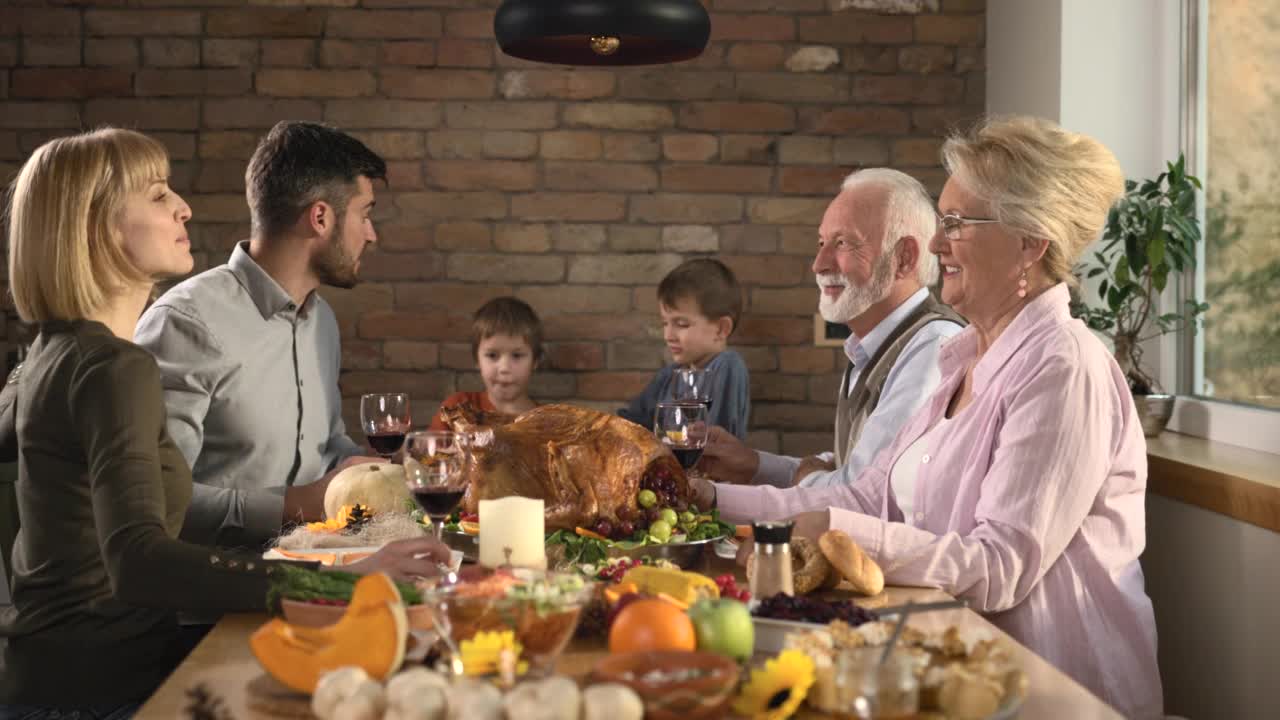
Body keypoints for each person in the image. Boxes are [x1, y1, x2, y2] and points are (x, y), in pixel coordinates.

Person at [699, 116, 1162, 718]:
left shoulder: (1064, 365)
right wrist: (705, 496)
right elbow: (869, 498)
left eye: (956, 224)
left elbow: (999, 568)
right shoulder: (962, 354)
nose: (938, 245)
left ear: (1029, 242)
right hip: (959, 672)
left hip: (1053, 688)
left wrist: (838, 534)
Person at [0, 128, 451, 715]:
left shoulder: (56, 352)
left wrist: (368, 494)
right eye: (159, 194)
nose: (184, 206)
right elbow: (140, 557)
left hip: (63, 679)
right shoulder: (114, 363)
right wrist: (347, 577)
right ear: (97, 225)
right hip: (103, 688)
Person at [135, 121, 387, 549]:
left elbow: (324, 445)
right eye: (365, 214)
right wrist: (295, 505)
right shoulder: (185, 323)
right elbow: (154, 504)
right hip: (214, 604)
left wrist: (365, 467)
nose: (371, 234)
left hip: (313, 575)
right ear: (320, 217)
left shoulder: (321, 320)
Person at [698, 169, 963, 488]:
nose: (819, 264)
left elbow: (861, 492)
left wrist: (803, 475)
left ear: (903, 258)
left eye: (842, 243)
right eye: (822, 242)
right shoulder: (874, 347)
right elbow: (850, 468)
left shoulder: (933, 347)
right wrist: (753, 465)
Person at [618, 258, 750, 439]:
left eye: (681, 324)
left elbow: (713, 442)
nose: (668, 336)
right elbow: (630, 424)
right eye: (665, 323)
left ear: (721, 329)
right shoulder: (669, 375)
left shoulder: (727, 366)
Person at [429, 296, 543, 428]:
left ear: (535, 361)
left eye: (517, 355)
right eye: (492, 355)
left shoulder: (548, 422)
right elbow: (427, 446)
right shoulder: (456, 410)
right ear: (477, 359)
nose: (504, 368)